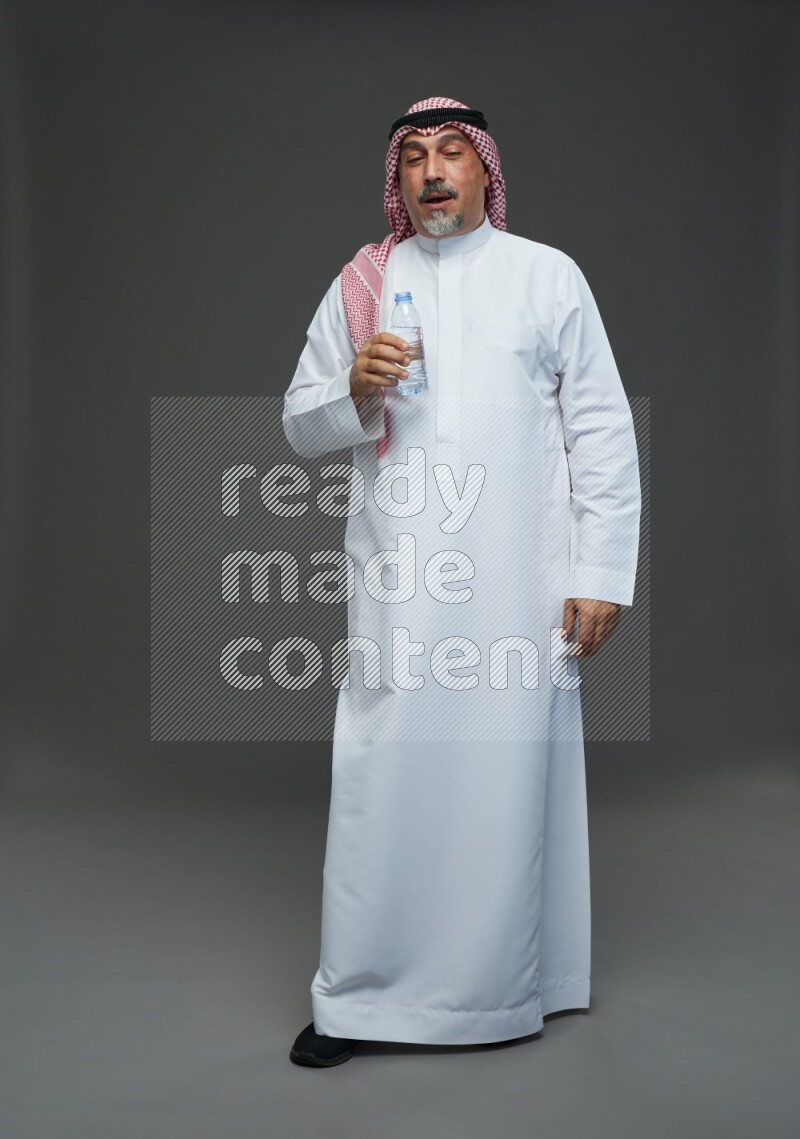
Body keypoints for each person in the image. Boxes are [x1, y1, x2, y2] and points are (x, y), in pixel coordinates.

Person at [283, 96, 641, 1067]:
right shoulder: (364, 282)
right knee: (379, 775)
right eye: (412, 158)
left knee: (505, 779)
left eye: (450, 153)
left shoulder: (545, 278)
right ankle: (357, 996)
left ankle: (514, 986)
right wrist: (353, 388)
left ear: (485, 170)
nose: (432, 172)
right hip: (401, 586)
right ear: (395, 181)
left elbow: (599, 429)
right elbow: (297, 420)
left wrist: (599, 568)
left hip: (518, 590)